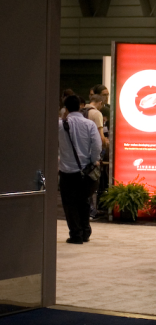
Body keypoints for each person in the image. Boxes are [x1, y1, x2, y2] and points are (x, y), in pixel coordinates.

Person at [58, 95, 102, 244]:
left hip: (66, 171)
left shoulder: (59, 124)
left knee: (69, 204)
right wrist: (93, 161)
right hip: (85, 171)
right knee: (84, 200)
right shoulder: (89, 124)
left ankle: (76, 234)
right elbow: (97, 145)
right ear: (80, 106)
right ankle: (85, 232)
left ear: (66, 108)